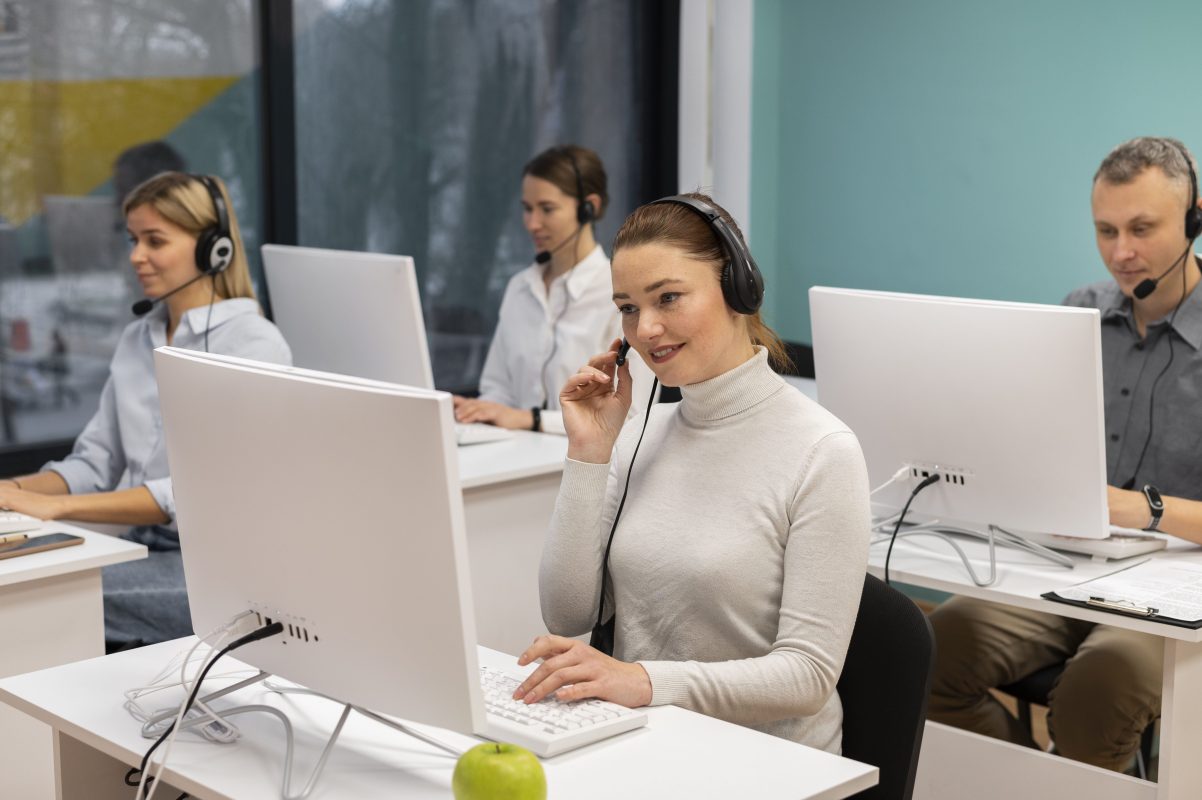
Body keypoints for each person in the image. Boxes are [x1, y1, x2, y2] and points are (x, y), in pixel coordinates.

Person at [515, 193, 872, 753]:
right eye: (628, 307)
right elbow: (567, 613)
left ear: (738, 289)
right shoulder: (638, 434)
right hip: (647, 742)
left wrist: (645, 681)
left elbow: (807, 676)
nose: (647, 328)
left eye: (669, 298)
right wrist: (589, 454)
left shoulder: (822, 450)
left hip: (766, 764)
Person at [929, 136, 1202, 772]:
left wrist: (1144, 510)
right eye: (1105, 231)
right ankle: (1040, 778)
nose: (1121, 253)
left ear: (1194, 220)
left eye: (1141, 228)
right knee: (928, 651)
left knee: (1097, 689)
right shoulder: (1079, 313)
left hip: (1174, 593)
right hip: (1061, 566)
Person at [0, 171, 291, 648]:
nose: (137, 256)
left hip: (216, 571)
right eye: (134, 239)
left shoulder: (255, 346)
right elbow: (95, 463)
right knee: (29, 577)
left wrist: (56, 507)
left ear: (212, 248)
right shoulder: (138, 339)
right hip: (137, 544)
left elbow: (194, 494)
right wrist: (12, 490)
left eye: (155, 241)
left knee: (41, 595)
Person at [454, 145, 649, 434]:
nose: (532, 223)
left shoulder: (620, 292)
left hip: (589, 462)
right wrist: (478, 412)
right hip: (517, 455)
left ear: (588, 208)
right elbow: (497, 389)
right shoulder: (520, 288)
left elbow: (631, 415)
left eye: (547, 209)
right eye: (527, 209)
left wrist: (532, 420)